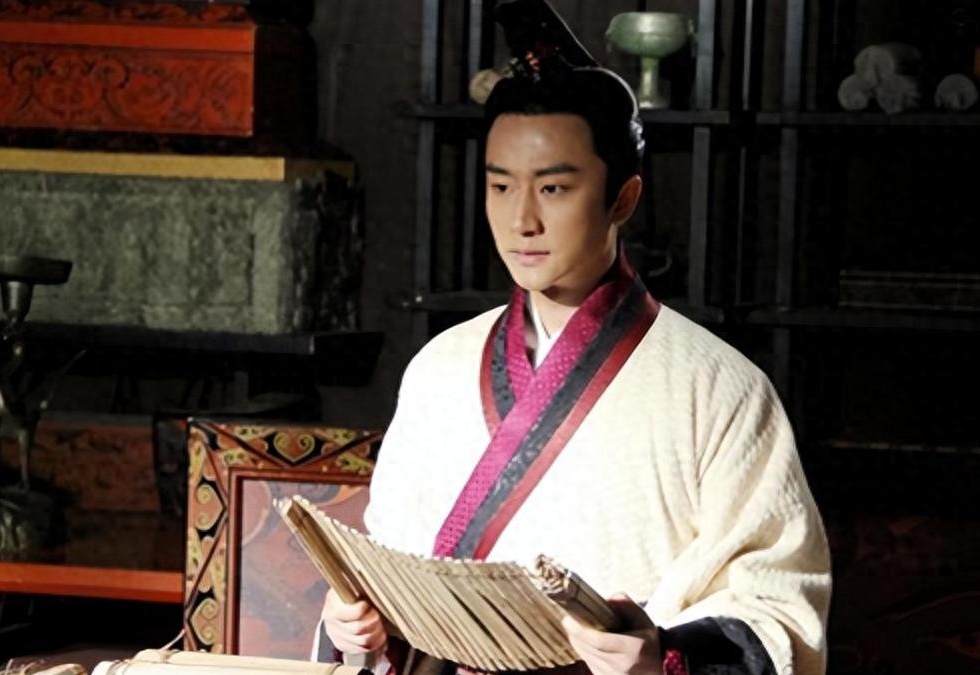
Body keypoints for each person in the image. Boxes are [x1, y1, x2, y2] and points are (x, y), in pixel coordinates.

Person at [318, 2, 831, 674]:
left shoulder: (720, 387)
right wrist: (357, 622)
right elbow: (389, 565)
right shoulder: (439, 367)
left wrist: (664, 656)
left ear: (623, 197)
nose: (521, 219)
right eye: (500, 186)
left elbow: (776, 610)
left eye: (554, 188)